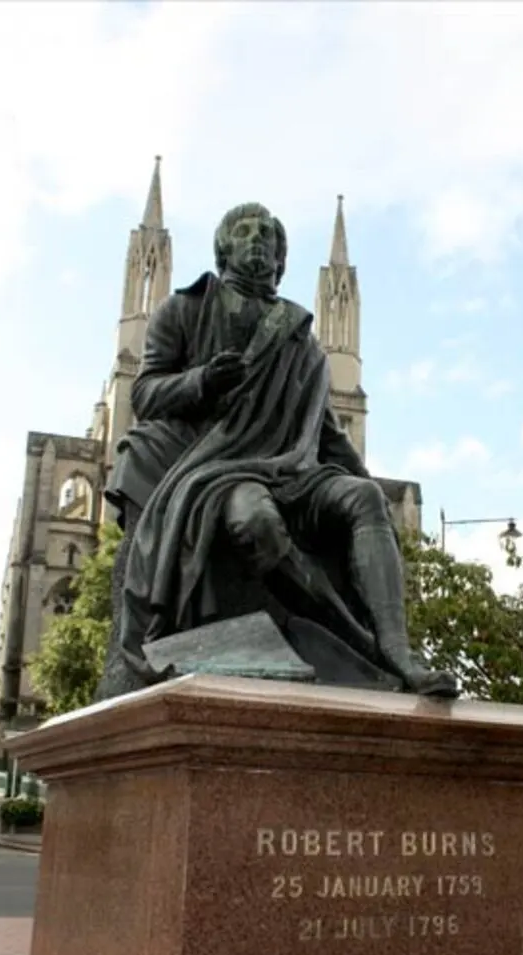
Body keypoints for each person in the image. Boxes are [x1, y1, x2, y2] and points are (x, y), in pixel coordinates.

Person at [101, 202, 457, 699]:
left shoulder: (299, 337)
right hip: (221, 468)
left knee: (364, 499)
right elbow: (145, 394)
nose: (258, 240)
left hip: (292, 470)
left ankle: (397, 652)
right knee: (257, 523)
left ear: (281, 256)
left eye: (268, 234)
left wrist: (366, 483)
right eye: (245, 232)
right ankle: (352, 640)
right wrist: (202, 381)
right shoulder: (183, 310)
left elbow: (328, 433)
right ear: (224, 248)